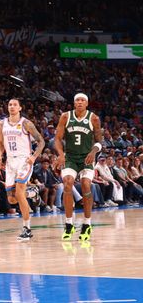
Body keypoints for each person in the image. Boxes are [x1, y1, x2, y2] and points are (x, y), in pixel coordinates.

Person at [55, 92, 102, 243]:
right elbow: (57, 138)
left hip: (86, 158)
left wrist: (94, 152)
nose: (80, 102)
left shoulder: (94, 118)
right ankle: (69, 224)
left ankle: (87, 224)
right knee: (67, 183)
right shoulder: (65, 116)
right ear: (74, 103)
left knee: (86, 185)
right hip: (70, 158)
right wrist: (60, 154)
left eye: (83, 100)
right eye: (77, 100)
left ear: (87, 103)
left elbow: (99, 141)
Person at [0, 98, 45, 240]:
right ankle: (33, 193)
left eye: (15, 105)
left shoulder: (26, 123)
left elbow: (41, 141)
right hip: (10, 162)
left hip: (24, 160)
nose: (12, 107)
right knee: (11, 199)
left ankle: (27, 228)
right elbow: (0, 143)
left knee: (19, 191)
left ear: (20, 108)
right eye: (10, 104)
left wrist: (34, 157)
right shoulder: (1, 124)